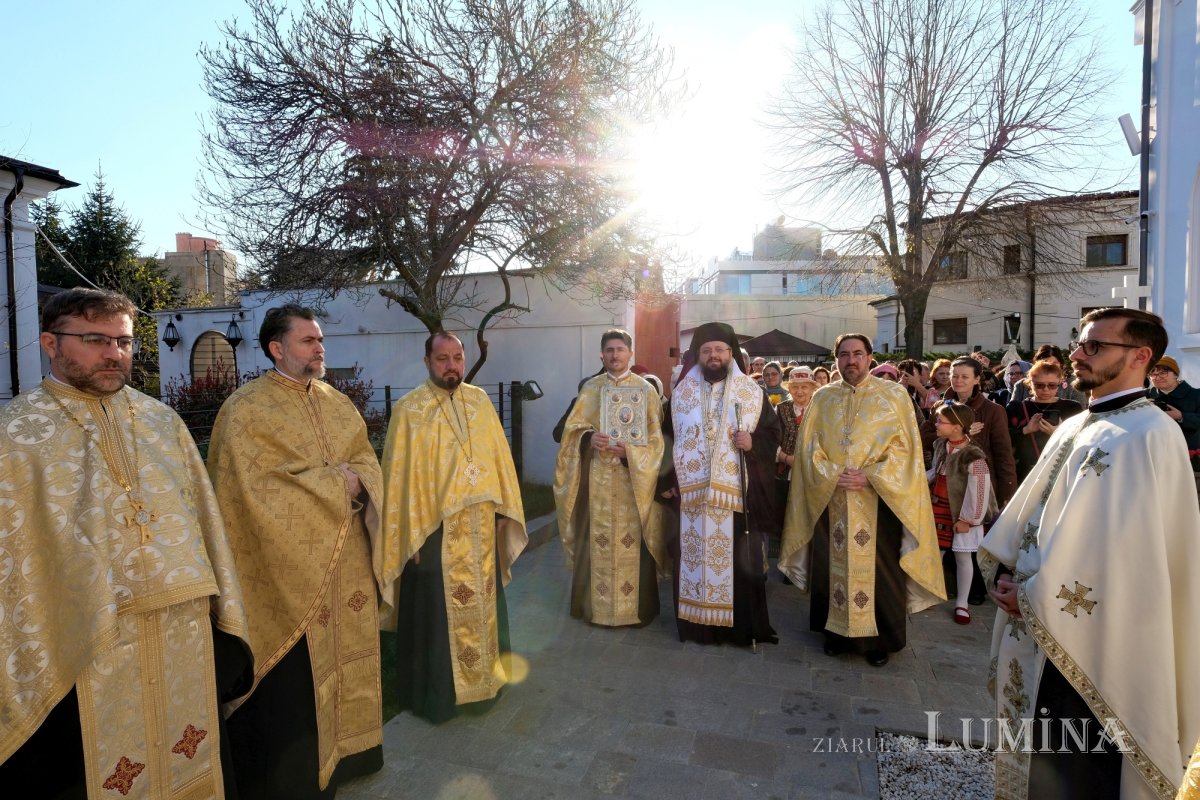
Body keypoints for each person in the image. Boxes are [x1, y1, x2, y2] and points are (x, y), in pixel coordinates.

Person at [0, 288, 251, 798]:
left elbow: (204, 526)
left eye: (124, 341)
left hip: (181, 627)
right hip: (84, 643)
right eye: (95, 339)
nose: (115, 353)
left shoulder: (163, 423)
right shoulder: (16, 435)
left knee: (190, 753)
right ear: (51, 343)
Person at [981, 308, 1200, 800]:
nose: (1077, 354)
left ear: (1140, 356)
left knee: (1076, 768)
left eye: (1094, 346)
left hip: (1095, 639)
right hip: (1040, 623)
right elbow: (1038, 519)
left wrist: (1034, 596)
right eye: (1080, 343)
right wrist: (1010, 574)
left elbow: (1128, 559)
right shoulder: (1077, 424)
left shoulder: (1151, 435)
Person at [207, 304, 385, 799]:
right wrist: (337, 483)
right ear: (276, 348)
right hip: (285, 572)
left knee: (348, 655)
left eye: (320, 339)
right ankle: (295, 774)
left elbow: (366, 461)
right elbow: (252, 492)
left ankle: (352, 752)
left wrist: (361, 479)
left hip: (347, 556)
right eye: (308, 341)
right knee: (295, 681)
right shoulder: (245, 410)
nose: (319, 348)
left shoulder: (336, 402)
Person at [379, 332, 527, 723]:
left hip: (480, 528)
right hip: (434, 533)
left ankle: (484, 686)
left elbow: (499, 459)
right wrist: (407, 533)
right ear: (427, 361)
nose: (451, 366)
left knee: (484, 606)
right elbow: (398, 479)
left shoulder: (480, 402)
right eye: (442, 358)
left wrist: (503, 511)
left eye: (457, 357)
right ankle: (440, 696)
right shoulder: (409, 410)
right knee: (438, 615)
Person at [780, 333, 945, 667]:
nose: (850, 360)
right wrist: (829, 472)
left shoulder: (894, 396)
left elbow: (907, 452)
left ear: (870, 357)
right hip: (832, 499)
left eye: (857, 354)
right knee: (831, 567)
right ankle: (835, 636)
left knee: (881, 572)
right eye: (844, 354)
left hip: (880, 502)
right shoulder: (822, 398)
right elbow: (808, 448)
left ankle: (879, 640)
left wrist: (870, 475)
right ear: (836, 359)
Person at [668, 322, 780, 646]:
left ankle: (740, 629)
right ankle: (696, 627)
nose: (713, 356)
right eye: (706, 351)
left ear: (731, 354)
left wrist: (752, 443)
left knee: (738, 567)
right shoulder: (681, 394)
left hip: (735, 500)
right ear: (698, 356)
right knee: (693, 563)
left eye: (719, 350)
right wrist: (669, 480)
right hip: (692, 501)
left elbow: (772, 434)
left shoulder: (751, 392)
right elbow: (667, 438)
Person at [554, 329, 666, 627]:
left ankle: (637, 610)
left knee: (634, 540)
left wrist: (631, 453)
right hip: (598, 481)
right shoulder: (591, 389)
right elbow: (569, 433)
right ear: (601, 355)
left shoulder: (646, 390)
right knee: (596, 540)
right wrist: (588, 438)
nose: (615, 355)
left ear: (631, 354)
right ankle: (594, 610)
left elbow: (657, 442)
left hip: (633, 483)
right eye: (609, 350)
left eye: (620, 349)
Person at [927, 403, 995, 626]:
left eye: (940, 421)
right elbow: (935, 471)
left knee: (963, 558)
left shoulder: (973, 456)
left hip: (961, 512)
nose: (936, 424)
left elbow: (980, 490)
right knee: (934, 553)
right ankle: (929, 594)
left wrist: (970, 519)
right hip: (938, 507)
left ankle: (962, 603)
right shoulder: (940, 445)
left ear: (957, 427)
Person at [1006, 359, 1084, 481]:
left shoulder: (1072, 408)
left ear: (1060, 383)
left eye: (1052, 385)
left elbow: (1084, 442)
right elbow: (1002, 440)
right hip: (1024, 473)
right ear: (1030, 383)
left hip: (1060, 472)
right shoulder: (1016, 408)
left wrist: (1058, 434)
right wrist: (1026, 430)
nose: (1046, 390)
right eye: (1040, 385)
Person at [1148, 355, 1200, 449]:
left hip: (1190, 453)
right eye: (1153, 374)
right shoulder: (1144, 396)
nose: (1157, 378)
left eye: (1163, 373)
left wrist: (1181, 416)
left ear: (1176, 374)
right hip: (1157, 451)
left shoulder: (1196, 395)